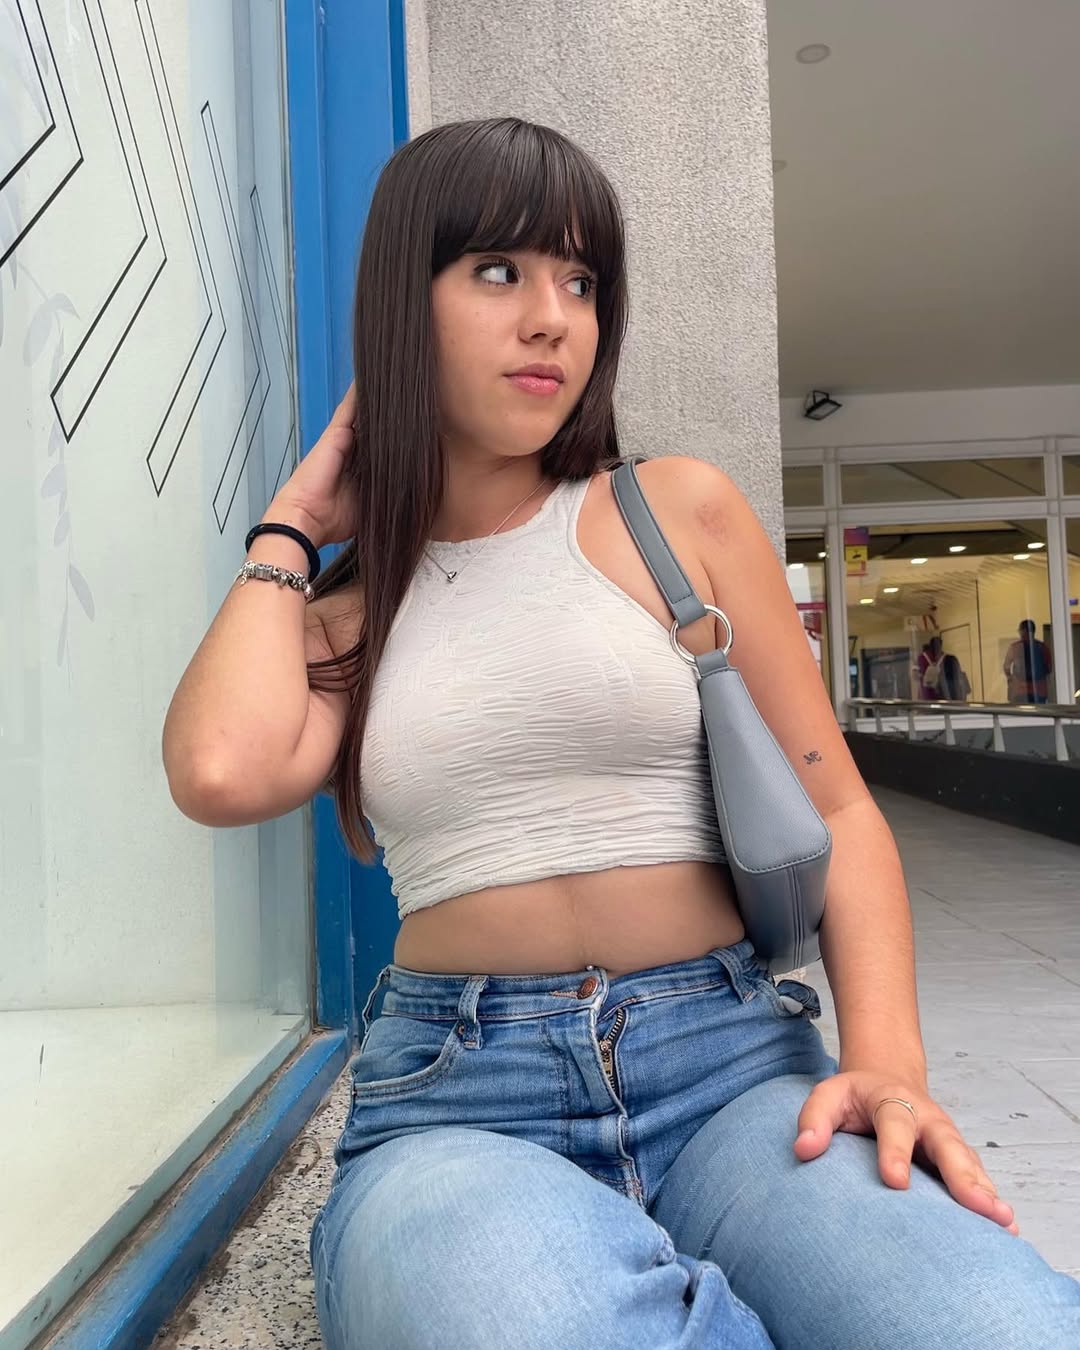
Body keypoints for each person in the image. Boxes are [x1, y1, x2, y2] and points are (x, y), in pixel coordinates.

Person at [162, 119, 1078, 1348]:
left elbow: (842, 808)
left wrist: (889, 1065)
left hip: (732, 1073)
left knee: (995, 1327)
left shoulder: (672, 513)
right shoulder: (346, 613)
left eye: (581, 280)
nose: (553, 318)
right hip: (458, 1106)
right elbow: (219, 771)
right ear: (401, 303)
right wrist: (292, 524)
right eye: (499, 271)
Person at [1004, 619, 1053, 704]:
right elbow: (1049, 668)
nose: (1019, 633)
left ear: (1024, 631)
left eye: (1020, 630)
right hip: (1039, 691)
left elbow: (1006, 667)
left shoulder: (1014, 647)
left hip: (1019, 691)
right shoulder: (1043, 647)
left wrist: (1011, 679)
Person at [917, 636, 971, 702]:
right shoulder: (951, 659)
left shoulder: (921, 659)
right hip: (948, 697)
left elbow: (917, 677)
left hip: (928, 697)